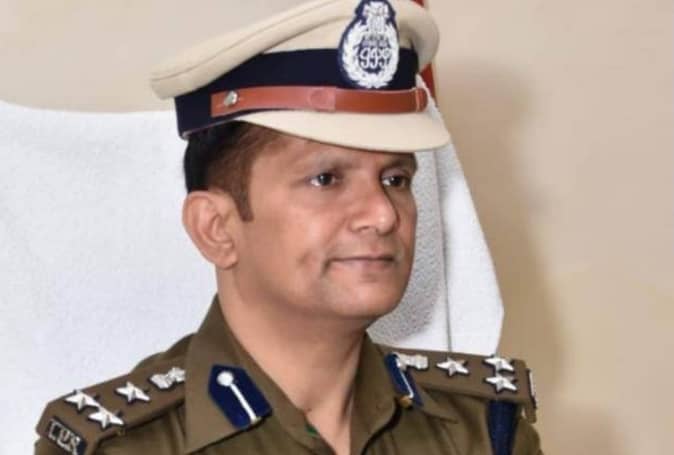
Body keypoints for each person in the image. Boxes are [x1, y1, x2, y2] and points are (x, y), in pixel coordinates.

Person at [34, 0, 542, 453]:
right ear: (216, 228)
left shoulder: (482, 431)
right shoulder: (128, 447)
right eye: (326, 179)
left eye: (395, 179)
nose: (383, 214)